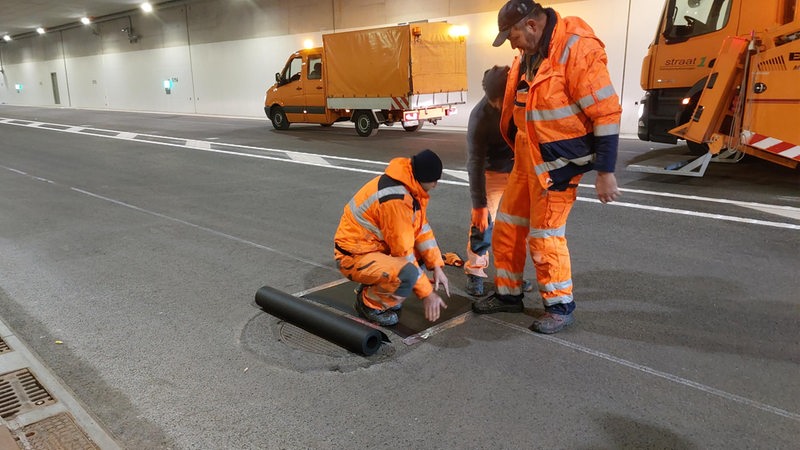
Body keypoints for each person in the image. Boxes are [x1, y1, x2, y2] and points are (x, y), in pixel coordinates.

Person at [472, 0, 622, 334]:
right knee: (508, 227)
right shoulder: (531, 52)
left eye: (511, 35)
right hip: (527, 156)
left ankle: (559, 305)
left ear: (531, 25)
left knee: (545, 236)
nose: (510, 44)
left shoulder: (577, 50)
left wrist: (605, 171)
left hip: (557, 164)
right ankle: (509, 295)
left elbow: (607, 113)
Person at [334, 149, 450, 326]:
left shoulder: (409, 186)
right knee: (407, 274)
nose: (435, 185)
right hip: (352, 258)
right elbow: (403, 253)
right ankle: (369, 304)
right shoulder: (396, 200)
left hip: (370, 249)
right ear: (422, 178)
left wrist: (436, 266)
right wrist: (428, 294)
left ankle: (378, 288)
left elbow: (421, 229)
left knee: (417, 263)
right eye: (434, 180)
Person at [463, 65, 516, 297]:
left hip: (519, 169)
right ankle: (475, 271)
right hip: (492, 172)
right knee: (483, 224)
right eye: (494, 101)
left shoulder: (523, 98)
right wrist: (479, 205)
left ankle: (510, 278)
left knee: (516, 227)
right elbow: (474, 163)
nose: (498, 106)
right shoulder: (480, 117)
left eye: (502, 100)